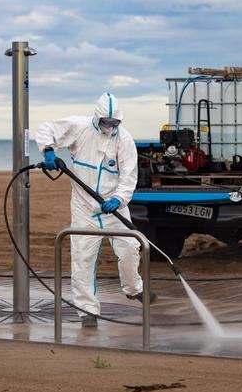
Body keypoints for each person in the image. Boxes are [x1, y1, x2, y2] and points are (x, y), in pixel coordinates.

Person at [35, 92, 156, 328]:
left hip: (112, 208)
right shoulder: (79, 127)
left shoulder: (125, 140)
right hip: (83, 207)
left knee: (130, 248)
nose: (109, 127)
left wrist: (119, 199)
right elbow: (46, 128)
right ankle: (86, 311)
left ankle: (133, 289)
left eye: (114, 123)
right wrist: (48, 150)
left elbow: (129, 176)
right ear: (97, 118)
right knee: (82, 258)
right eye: (105, 122)